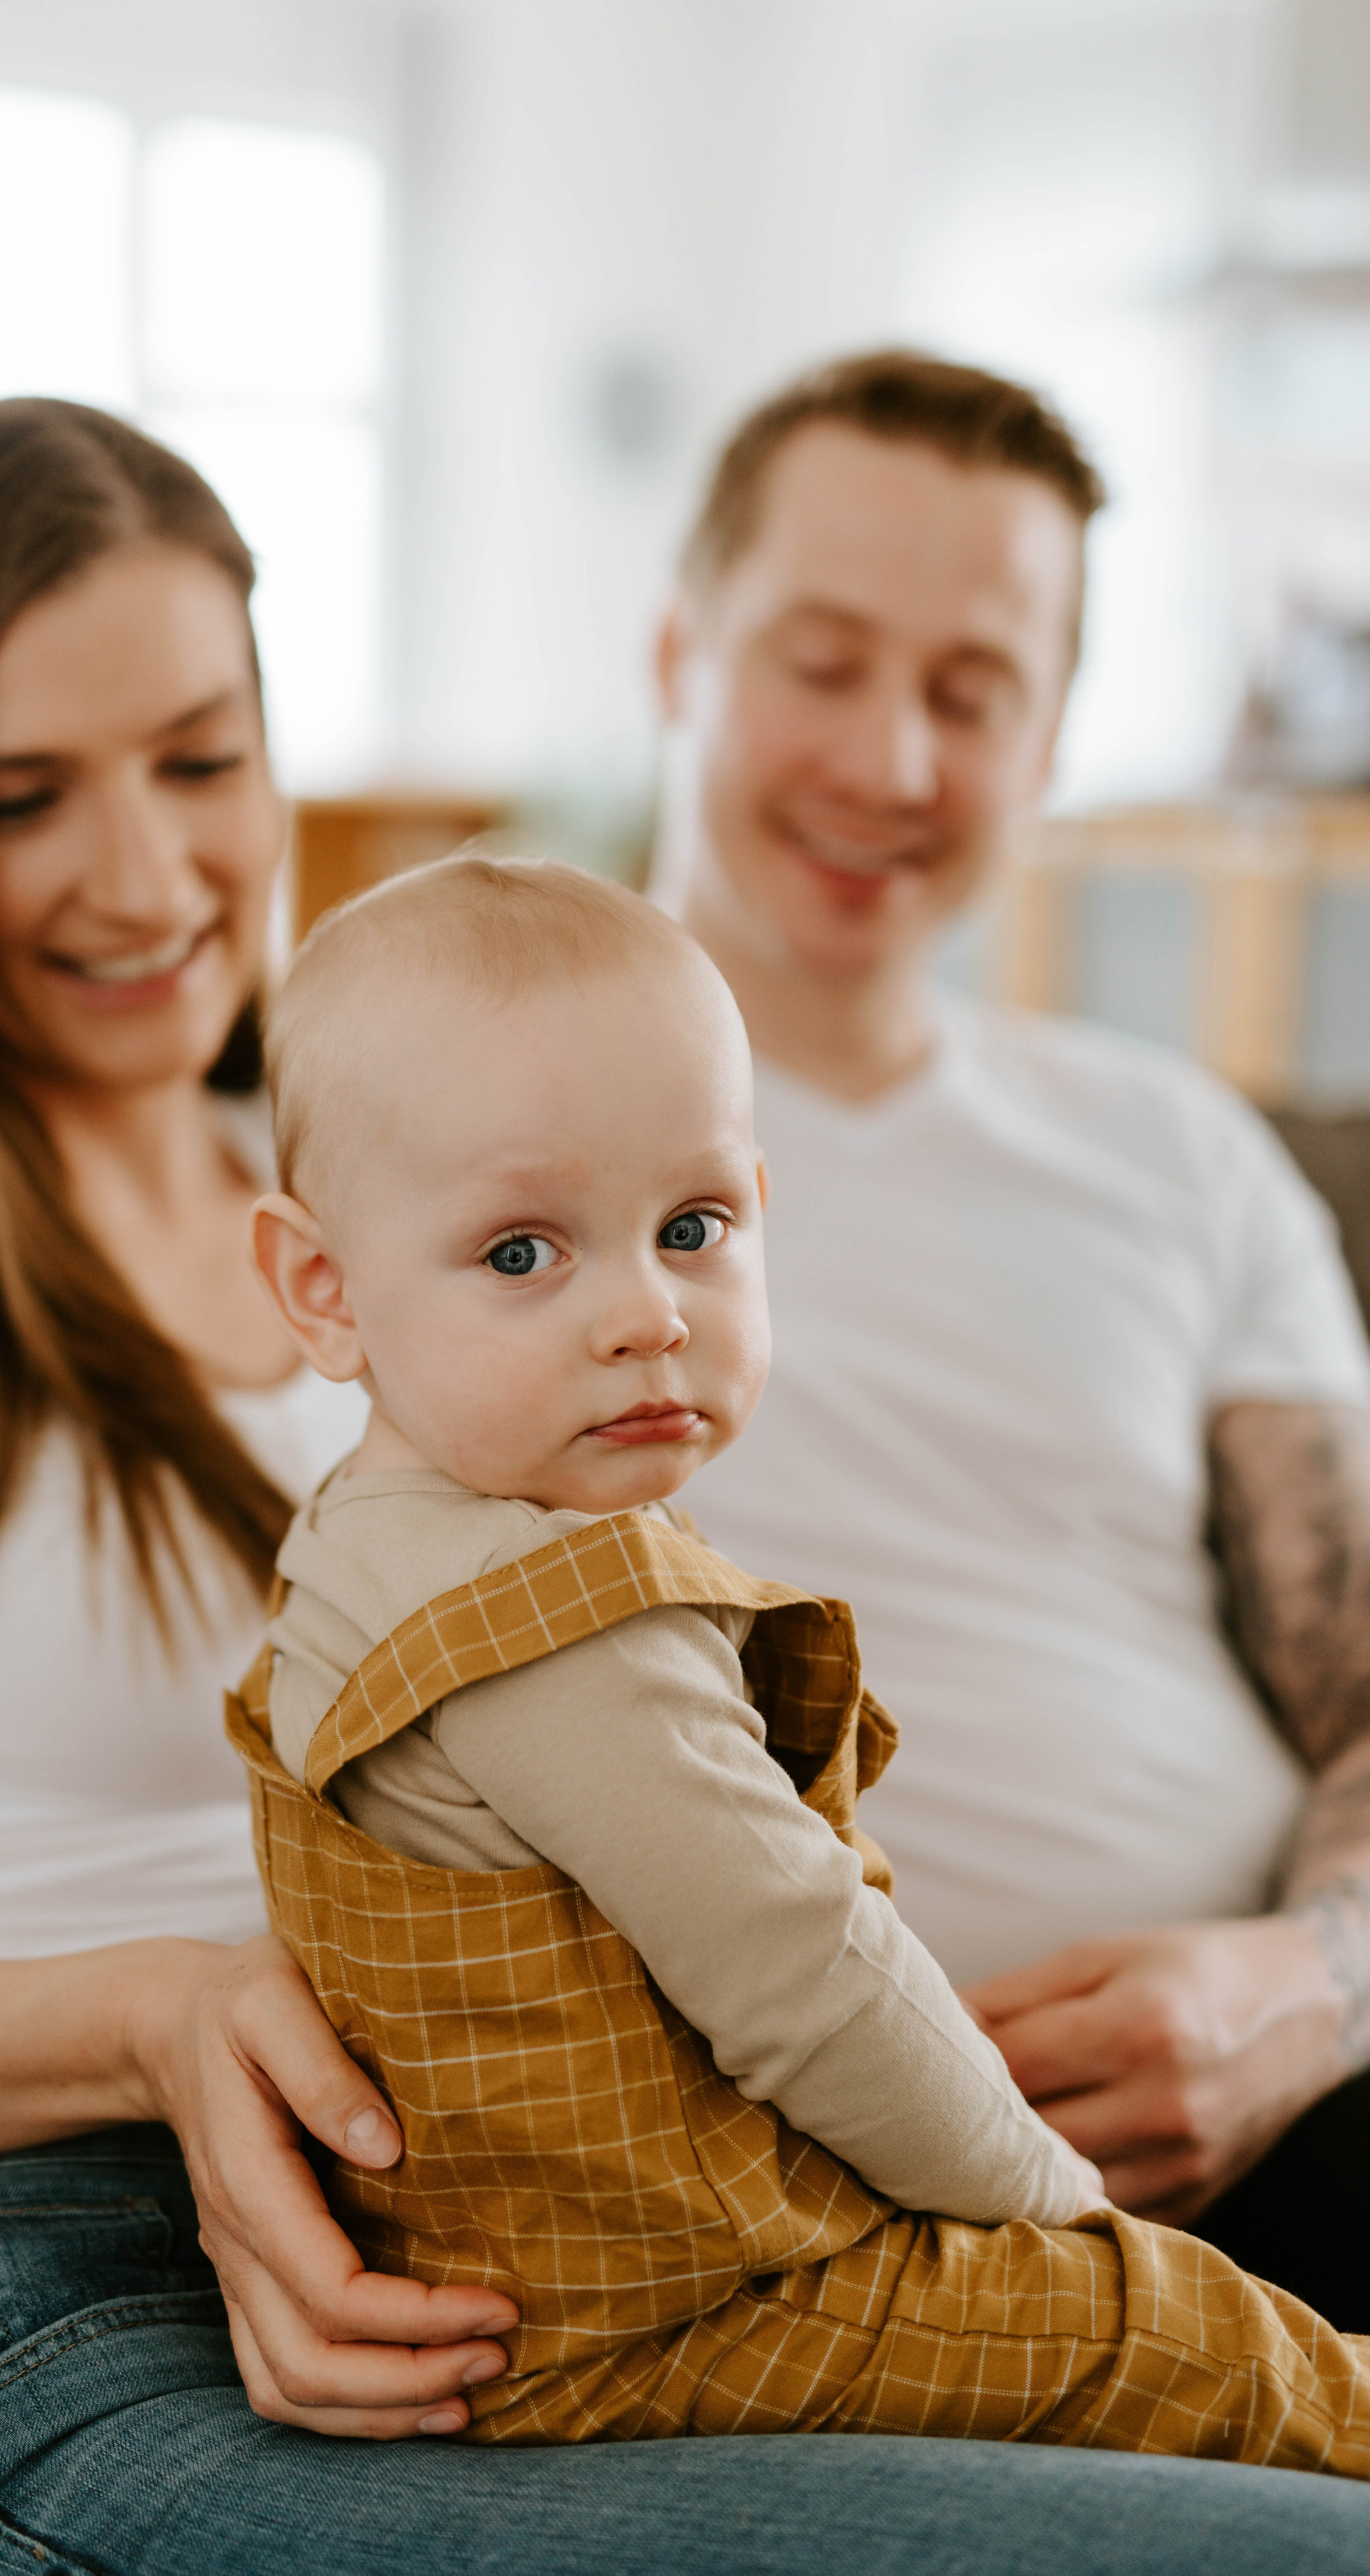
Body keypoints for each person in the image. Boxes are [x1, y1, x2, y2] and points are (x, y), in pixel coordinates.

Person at [0, 396, 1360, 2575]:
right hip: (25, 2297)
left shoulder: (406, 1213)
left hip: (498, 2265)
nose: (146, 876)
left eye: (200, 760)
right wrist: (147, 2021)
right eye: (20, 798)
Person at [232, 848, 1370, 2472]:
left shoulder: (362, 1537)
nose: (645, 1313)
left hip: (591, 2281)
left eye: (690, 1227)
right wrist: (1053, 2212)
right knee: (1177, 2337)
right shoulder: (556, 1625)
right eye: (520, 1254)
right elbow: (806, 1976)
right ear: (320, 1288)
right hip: (677, 2297)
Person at [661, 350, 1370, 2325]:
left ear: (1050, 737)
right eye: (822, 663)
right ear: (677, 653)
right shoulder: (442, 1135)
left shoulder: (1182, 1156)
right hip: (766, 2199)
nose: (892, 761)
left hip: (1281, 2121)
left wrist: (1303, 1991)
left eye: (972, 693)